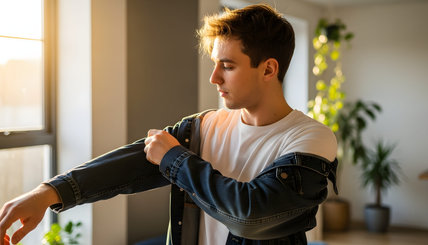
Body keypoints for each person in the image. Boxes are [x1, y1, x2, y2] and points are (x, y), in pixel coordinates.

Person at [0, 4, 338, 245]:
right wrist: (46, 194)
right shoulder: (203, 126)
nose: (214, 77)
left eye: (228, 66)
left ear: (268, 69)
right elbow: (127, 166)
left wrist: (175, 159)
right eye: (214, 64)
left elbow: (250, 215)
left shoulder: (311, 138)